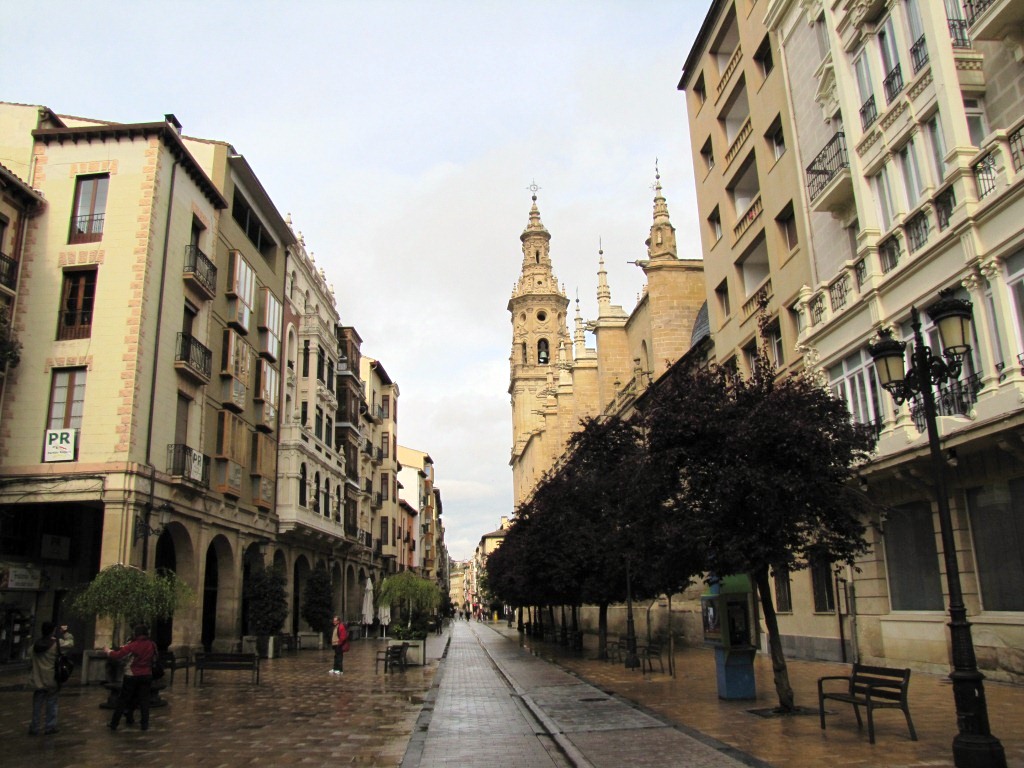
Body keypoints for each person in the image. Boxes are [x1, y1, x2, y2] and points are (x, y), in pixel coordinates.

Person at [104, 624, 158, 731]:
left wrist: (108, 651)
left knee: (123, 700)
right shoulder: (152, 644)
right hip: (146, 674)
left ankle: (114, 723)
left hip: (132, 674)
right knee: (144, 700)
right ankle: (144, 724)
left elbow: (118, 655)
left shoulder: (133, 645)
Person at [28, 621, 61, 736]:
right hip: (51, 678)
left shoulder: (35, 646)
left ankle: (34, 726)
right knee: (52, 703)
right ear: (52, 631)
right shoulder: (54, 645)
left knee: (37, 704)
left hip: (38, 679)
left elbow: (30, 657)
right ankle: (50, 726)